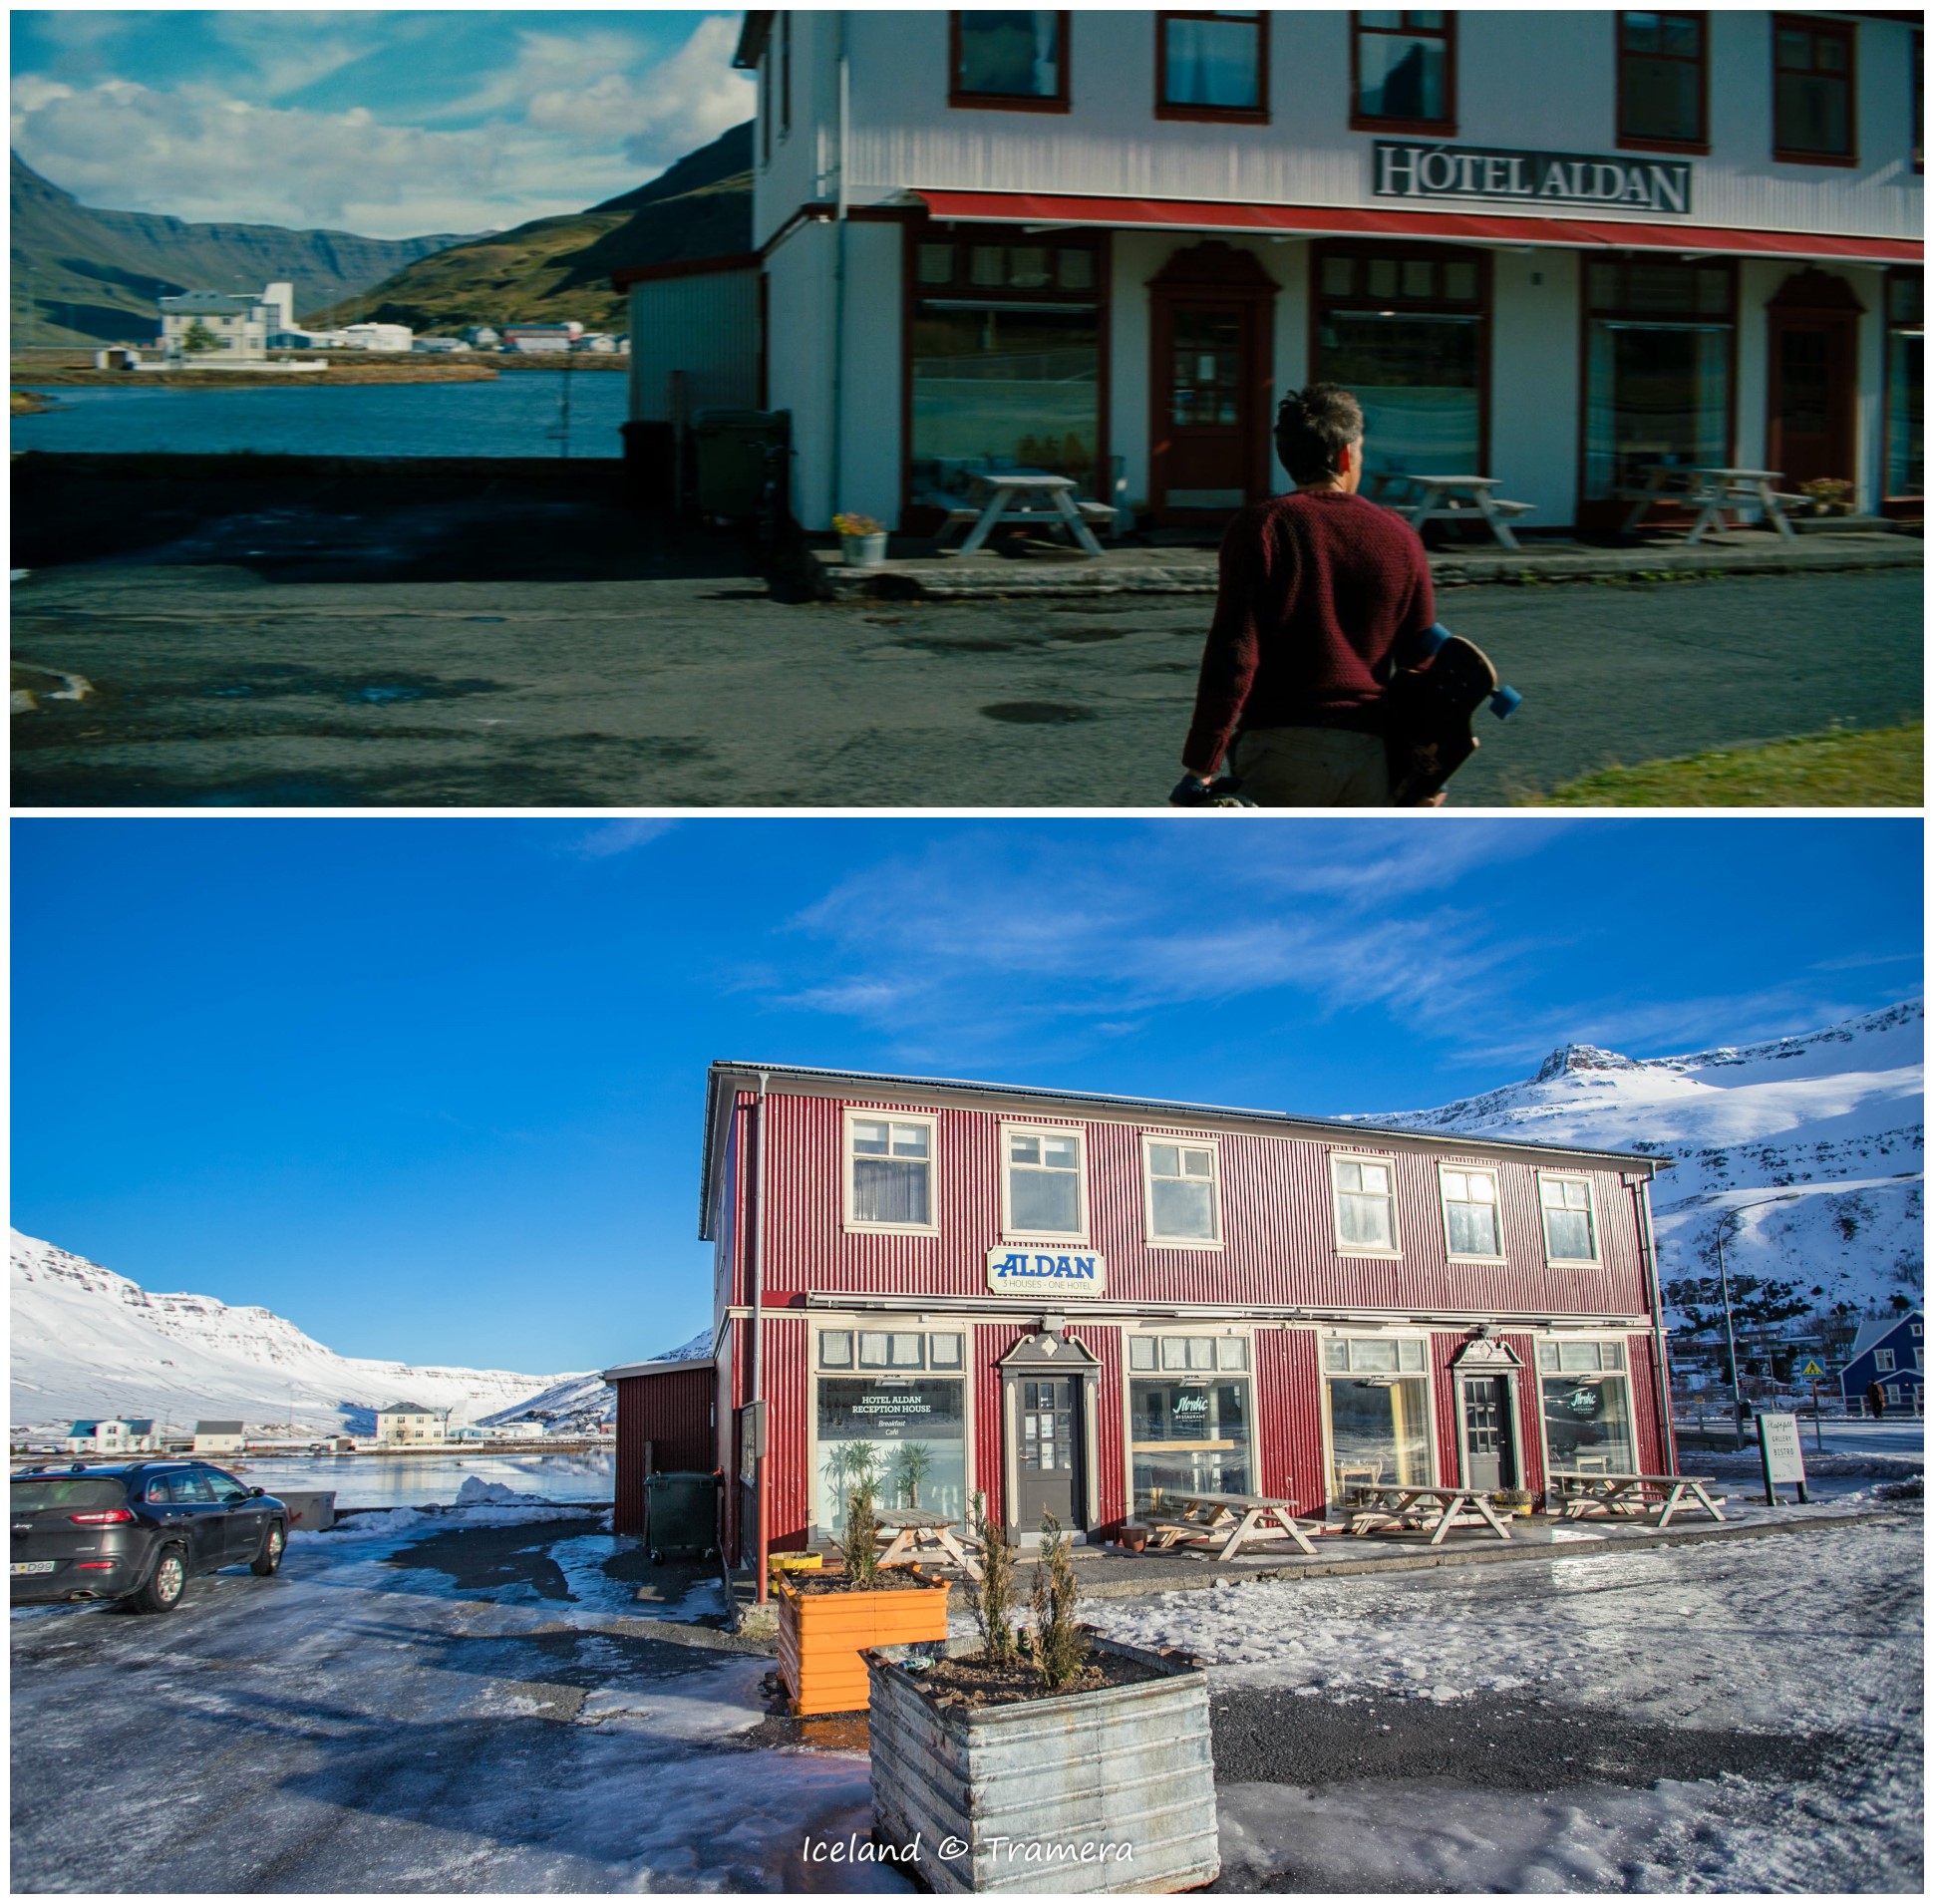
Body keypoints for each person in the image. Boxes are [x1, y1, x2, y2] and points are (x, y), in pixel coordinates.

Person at [1173, 383, 1439, 807]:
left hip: (1282, 748)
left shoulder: (1262, 527)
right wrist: (1429, 776)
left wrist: (1200, 767)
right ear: (1348, 455)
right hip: (1372, 758)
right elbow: (1421, 668)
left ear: (1287, 457)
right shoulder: (1401, 537)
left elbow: (1234, 652)